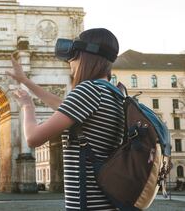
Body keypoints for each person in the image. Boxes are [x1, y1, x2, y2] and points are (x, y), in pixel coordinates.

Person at [7, 28, 122, 210]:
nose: (70, 62)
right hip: (108, 205)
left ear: (86, 57)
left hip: (87, 206)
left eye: (73, 56)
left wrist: (27, 106)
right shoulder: (114, 93)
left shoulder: (88, 91)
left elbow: (33, 138)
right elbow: (64, 106)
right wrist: (26, 81)